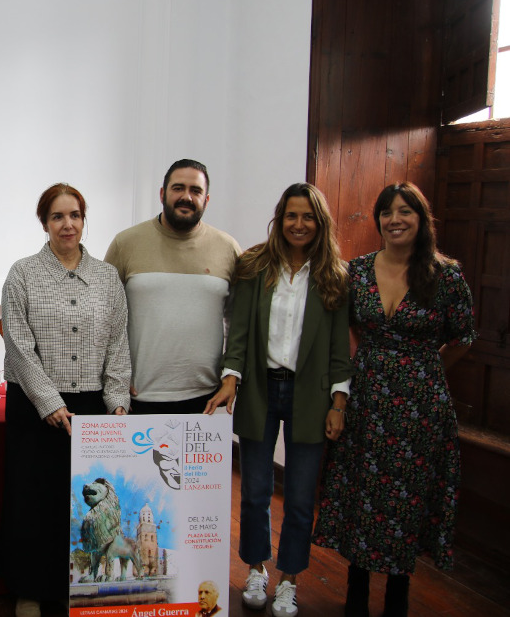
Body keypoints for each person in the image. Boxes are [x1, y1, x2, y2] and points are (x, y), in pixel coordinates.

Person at [313, 182, 476, 617]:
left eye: (406, 211)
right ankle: (356, 592)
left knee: (408, 498)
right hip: (366, 397)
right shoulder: (358, 270)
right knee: (361, 490)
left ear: (421, 219)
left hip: (421, 407)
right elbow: (348, 328)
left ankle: (398, 596)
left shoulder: (445, 275)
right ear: (379, 220)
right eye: (387, 212)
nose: (395, 219)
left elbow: (463, 337)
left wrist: (428, 369)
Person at [204, 183, 351, 617]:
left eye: (308, 217)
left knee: (301, 498)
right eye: (291, 215)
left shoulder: (334, 276)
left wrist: (338, 402)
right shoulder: (255, 265)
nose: (299, 224)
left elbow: (339, 349)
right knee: (255, 491)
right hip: (260, 389)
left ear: (319, 222)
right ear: (279, 218)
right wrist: (231, 376)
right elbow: (239, 331)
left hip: (311, 394)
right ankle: (256, 569)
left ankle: (289, 579)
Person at [0, 183, 131, 617]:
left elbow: (118, 342)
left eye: (74, 215)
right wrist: (48, 400)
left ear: (83, 219)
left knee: (76, 503)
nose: (67, 224)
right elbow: (18, 344)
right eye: (57, 216)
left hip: (91, 407)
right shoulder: (23, 274)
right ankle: (29, 591)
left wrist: (117, 400)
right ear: (45, 223)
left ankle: (69, 587)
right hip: (33, 406)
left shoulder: (107, 278)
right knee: (32, 500)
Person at [105, 158, 241, 414]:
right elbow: (103, 318)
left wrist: (231, 375)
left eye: (195, 190)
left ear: (206, 200)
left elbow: (238, 323)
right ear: (162, 194)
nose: (186, 197)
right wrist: (113, 380)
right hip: (137, 397)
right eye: (178, 188)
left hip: (207, 399)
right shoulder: (126, 243)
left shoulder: (228, 248)